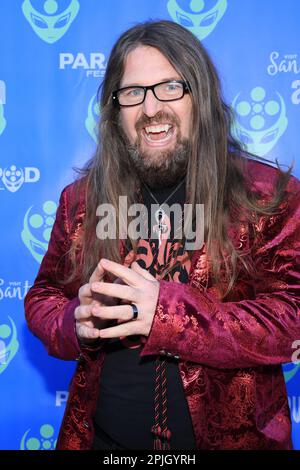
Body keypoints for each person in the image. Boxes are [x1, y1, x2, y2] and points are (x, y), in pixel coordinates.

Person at [25, 20, 300, 451]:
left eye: (170, 86)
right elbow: (42, 296)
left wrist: (169, 313)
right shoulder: (80, 201)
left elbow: (292, 317)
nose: (151, 108)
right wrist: (70, 322)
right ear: (116, 111)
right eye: (133, 93)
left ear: (201, 96)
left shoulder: (268, 196)